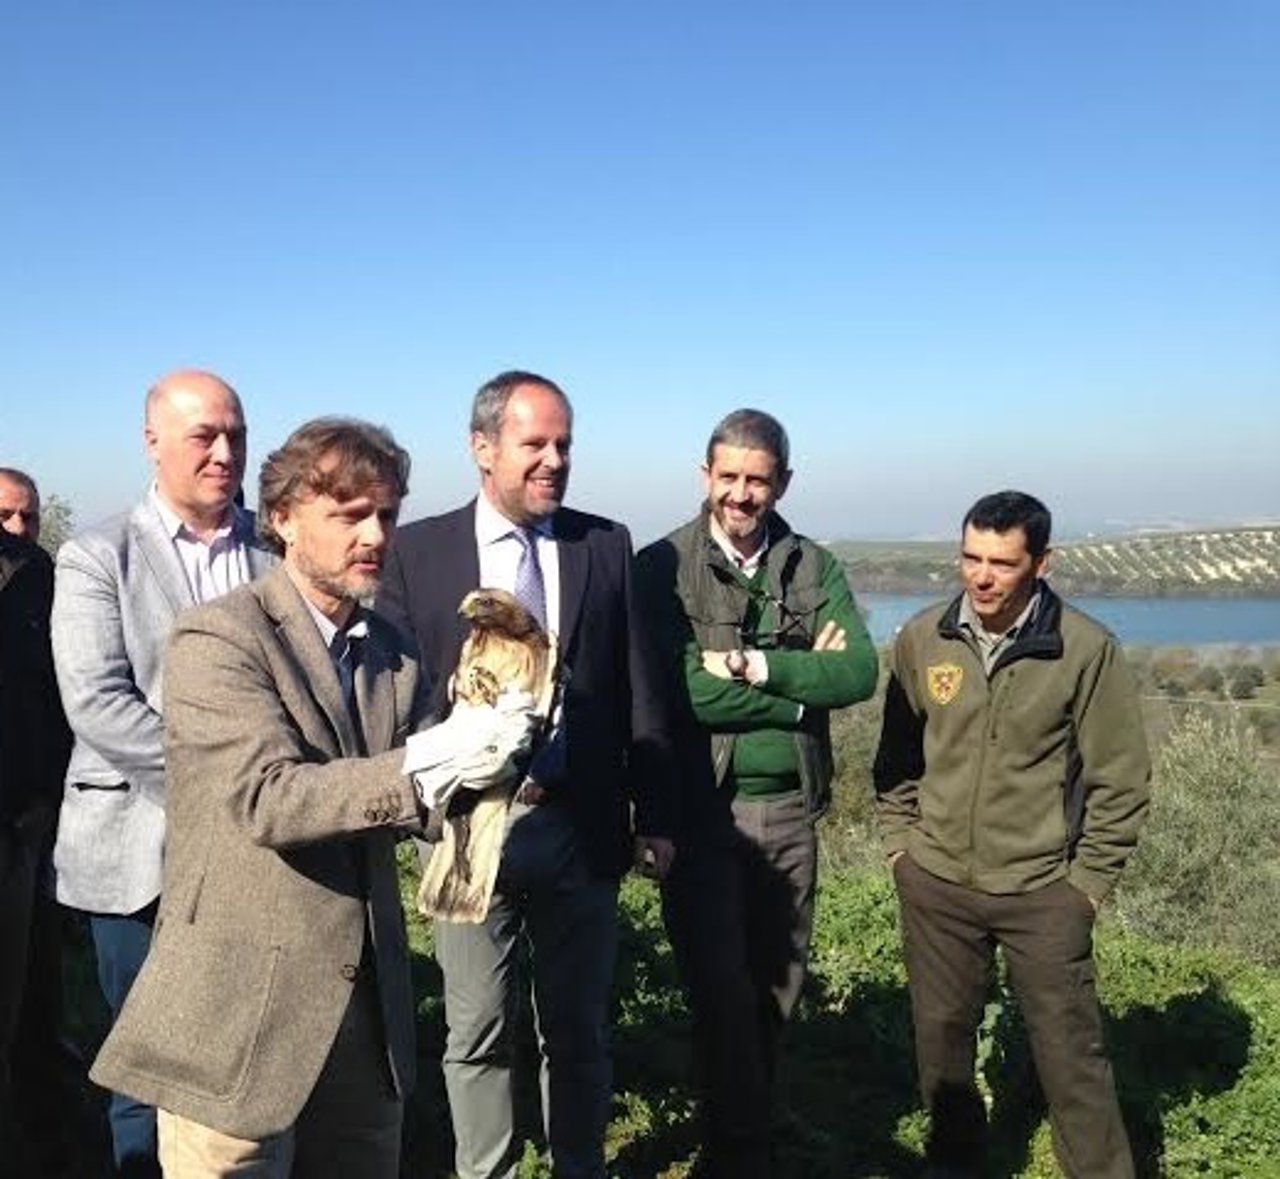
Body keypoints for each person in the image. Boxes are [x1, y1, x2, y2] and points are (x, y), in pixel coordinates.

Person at [90, 417, 535, 1178]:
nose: (374, 534)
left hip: (364, 1021)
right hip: (237, 1014)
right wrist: (433, 758)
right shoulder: (218, 639)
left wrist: (496, 753)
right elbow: (269, 799)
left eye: (386, 514)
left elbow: (418, 802)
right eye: (349, 513)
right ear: (285, 519)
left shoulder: (391, 652)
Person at [377, 370, 676, 1179]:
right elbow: (393, 692)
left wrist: (654, 812)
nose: (554, 460)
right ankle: (489, 1171)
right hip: (473, 830)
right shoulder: (418, 550)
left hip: (581, 826)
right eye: (534, 444)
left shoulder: (602, 543)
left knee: (578, 1029)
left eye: (564, 444)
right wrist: (423, 803)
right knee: (475, 1029)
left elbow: (637, 683)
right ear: (482, 447)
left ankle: (578, 1165)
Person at [873, 490, 1150, 1179]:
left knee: (1070, 1056)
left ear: (1042, 563)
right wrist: (903, 849)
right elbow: (896, 760)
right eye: (970, 557)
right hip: (937, 884)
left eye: (1002, 561)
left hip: (1041, 891)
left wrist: (1083, 889)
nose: (982, 576)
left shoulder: (1085, 650)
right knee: (942, 1052)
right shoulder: (922, 638)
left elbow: (1121, 780)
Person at [635, 409, 878, 1177]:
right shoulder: (659, 566)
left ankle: (743, 1126)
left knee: (780, 986)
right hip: (705, 816)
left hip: (792, 812)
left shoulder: (812, 565)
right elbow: (680, 695)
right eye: (729, 477)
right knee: (722, 992)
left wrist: (754, 668)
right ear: (705, 475)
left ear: (783, 482)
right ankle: (738, 1152)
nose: (741, 495)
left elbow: (859, 673)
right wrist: (805, 690)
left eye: (758, 479)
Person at [51, 370, 276, 1175]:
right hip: (139, 850)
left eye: (237, 434)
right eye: (204, 435)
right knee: (145, 1062)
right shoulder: (94, 556)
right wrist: (228, 786)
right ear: (152, 441)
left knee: (250, 1050)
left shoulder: (272, 550)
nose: (225, 452)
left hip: (260, 853)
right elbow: (99, 704)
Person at [0, 468, 74, 1169]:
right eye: (6, 516)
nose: (19, 530)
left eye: (28, 516)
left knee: (36, 961)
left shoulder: (44, 574)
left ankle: (42, 1091)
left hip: (36, 798)